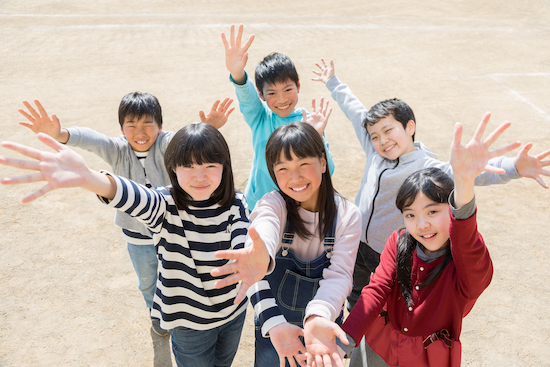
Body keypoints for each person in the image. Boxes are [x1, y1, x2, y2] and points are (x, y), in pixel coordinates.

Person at [311, 59, 550, 366]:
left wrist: (514, 167)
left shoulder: (430, 169)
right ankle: (360, 341)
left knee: (386, 299)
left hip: (398, 254)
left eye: (389, 131)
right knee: (362, 299)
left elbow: (471, 174)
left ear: (410, 127)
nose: (382, 140)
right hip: (364, 248)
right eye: (375, 135)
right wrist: (333, 82)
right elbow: (355, 110)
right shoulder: (375, 150)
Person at [1, 123, 250, 367]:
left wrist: (250, 258)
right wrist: (89, 178)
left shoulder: (235, 201)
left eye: (210, 165)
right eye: (188, 166)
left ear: (224, 167)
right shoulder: (165, 205)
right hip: (188, 322)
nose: (199, 176)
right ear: (173, 167)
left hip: (234, 313)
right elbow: (133, 195)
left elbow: (246, 246)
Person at [17, 95, 234, 336]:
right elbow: (93, 139)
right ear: (122, 129)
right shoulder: (117, 149)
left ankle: (178, 314)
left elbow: (187, 141)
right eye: (131, 125)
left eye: (147, 124)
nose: (140, 132)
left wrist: (209, 128)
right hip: (137, 237)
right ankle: (155, 313)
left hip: (172, 233)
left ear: (160, 126)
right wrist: (61, 135)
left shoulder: (166, 145)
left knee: (177, 278)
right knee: (148, 281)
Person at [211, 122, 361, 367]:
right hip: (276, 324)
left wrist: (317, 316)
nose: (295, 177)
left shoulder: (347, 215)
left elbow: (340, 275)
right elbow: (264, 232)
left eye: (304, 164)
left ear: (323, 162)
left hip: (322, 322)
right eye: (283, 168)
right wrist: (261, 257)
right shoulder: (272, 205)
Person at [222, 24, 336, 210]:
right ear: (261, 95)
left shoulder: (309, 122)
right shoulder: (260, 118)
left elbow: (327, 170)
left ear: (298, 86)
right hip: (259, 205)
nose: (282, 99)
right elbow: (247, 98)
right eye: (272, 93)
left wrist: (317, 137)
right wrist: (237, 72)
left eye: (288, 89)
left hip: (298, 208)